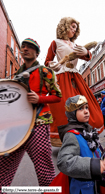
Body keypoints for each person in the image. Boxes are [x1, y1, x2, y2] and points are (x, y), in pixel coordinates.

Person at [0, 38, 62, 191]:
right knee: (3, 167)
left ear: (37, 52)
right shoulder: (15, 76)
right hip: (16, 126)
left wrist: (39, 98)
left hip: (39, 123)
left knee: (44, 168)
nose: (25, 49)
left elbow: (58, 95)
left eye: (30, 47)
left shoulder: (45, 71)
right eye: (23, 46)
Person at [45, 17, 104, 143]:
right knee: (63, 107)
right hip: (62, 76)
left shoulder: (76, 45)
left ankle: (83, 135)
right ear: (65, 26)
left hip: (75, 77)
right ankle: (67, 138)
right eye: (72, 27)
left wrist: (86, 51)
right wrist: (52, 65)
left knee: (85, 104)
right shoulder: (55, 42)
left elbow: (88, 58)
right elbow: (47, 61)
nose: (74, 30)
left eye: (75, 28)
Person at [57, 95, 105, 194]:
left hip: (94, 185)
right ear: (72, 113)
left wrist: (103, 158)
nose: (86, 111)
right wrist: (91, 165)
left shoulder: (87, 130)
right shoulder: (71, 135)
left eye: (86, 107)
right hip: (82, 189)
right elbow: (63, 161)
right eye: (80, 109)